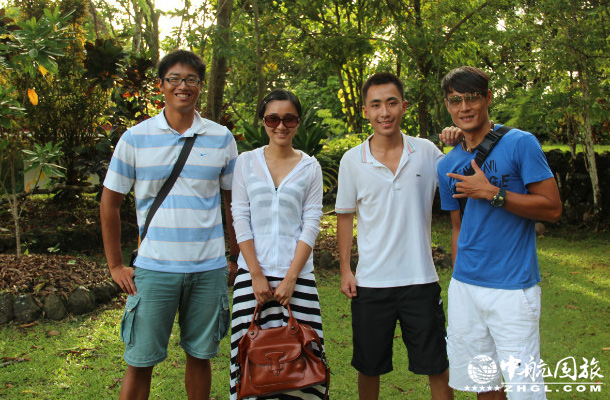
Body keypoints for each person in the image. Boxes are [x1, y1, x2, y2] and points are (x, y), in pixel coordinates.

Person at [100, 49, 239, 400]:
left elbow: (233, 203)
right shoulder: (135, 138)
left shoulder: (221, 138)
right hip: (153, 269)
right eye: (174, 79)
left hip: (207, 269)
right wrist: (115, 265)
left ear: (200, 86)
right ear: (161, 85)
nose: (183, 86)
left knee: (201, 356)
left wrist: (234, 257)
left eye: (191, 79)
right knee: (140, 360)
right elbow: (109, 204)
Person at [436, 66, 562, 400]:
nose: (464, 107)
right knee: (484, 383)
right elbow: (458, 227)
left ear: (488, 98)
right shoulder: (446, 164)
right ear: (448, 106)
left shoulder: (520, 143)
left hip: (512, 288)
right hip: (466, 287)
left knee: (524, 387)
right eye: (455, 100)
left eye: (472, 98)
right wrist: (458, 278)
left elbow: (552, 208)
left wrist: (493, 193)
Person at [335, 72, 454, 400]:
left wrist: (458, 142)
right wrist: (346, 270)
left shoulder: (426, 152)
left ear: (404, 106)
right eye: (376, 105)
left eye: (391, 103)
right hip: (371, 283)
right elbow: (344, 217)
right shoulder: (352, 160)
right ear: (365, 111)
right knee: (369, 366)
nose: (384, 112)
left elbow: (459, 178)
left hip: (421, 279)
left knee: (436, 364)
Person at [229, 89, 327, 399]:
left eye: (289, 119)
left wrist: (291, 277)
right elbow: (240, 217)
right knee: (250, 359)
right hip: (251, 278)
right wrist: (255, 275)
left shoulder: (310, 167)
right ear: (263, 121)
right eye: (273, 119)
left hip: (297, 278)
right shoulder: (246, 162)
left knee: (304, 359)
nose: (281, 126)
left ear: (298, 122)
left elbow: (311, 223)